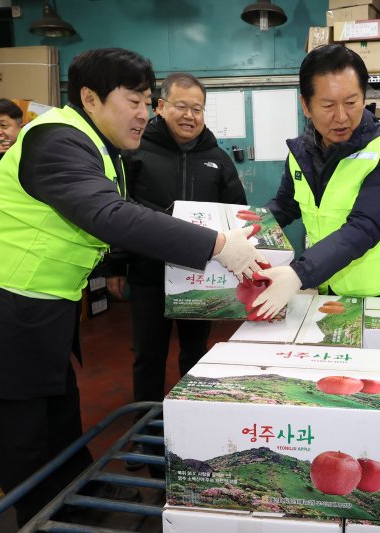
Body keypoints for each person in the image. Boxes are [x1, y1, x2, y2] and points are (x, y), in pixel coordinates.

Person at [0, 48, 264, 527]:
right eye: (135, 100)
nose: (145, 113)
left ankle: (79, 496)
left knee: (61, 422)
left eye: (149, 101)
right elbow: (109, 215)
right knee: (22, 443)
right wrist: (215, 244)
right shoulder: (56, 142)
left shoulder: (99, 146)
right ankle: (42, 517)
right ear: (90, 97)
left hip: (39, 312)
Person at [105, 72, 246, 469]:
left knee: (195, 353)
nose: (189, 115)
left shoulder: (216, 158)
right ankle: (146, 435)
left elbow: (237, 211)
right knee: (147, 356)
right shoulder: (135, 151)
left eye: (197, 108)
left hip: (199, 277)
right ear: (161, 106)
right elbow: (115, 210)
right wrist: (116, 265)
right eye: (180, 106)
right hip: (149, 273)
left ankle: (194, 423)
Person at [249, 44, 380, 320]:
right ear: (306, 105)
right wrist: (248, 230)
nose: (341, 117)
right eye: (328, 105)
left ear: (364, 98)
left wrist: (298, 273)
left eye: (351, 103)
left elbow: (364, 227)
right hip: (333, 290)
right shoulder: (300, 154)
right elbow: (286, 205)